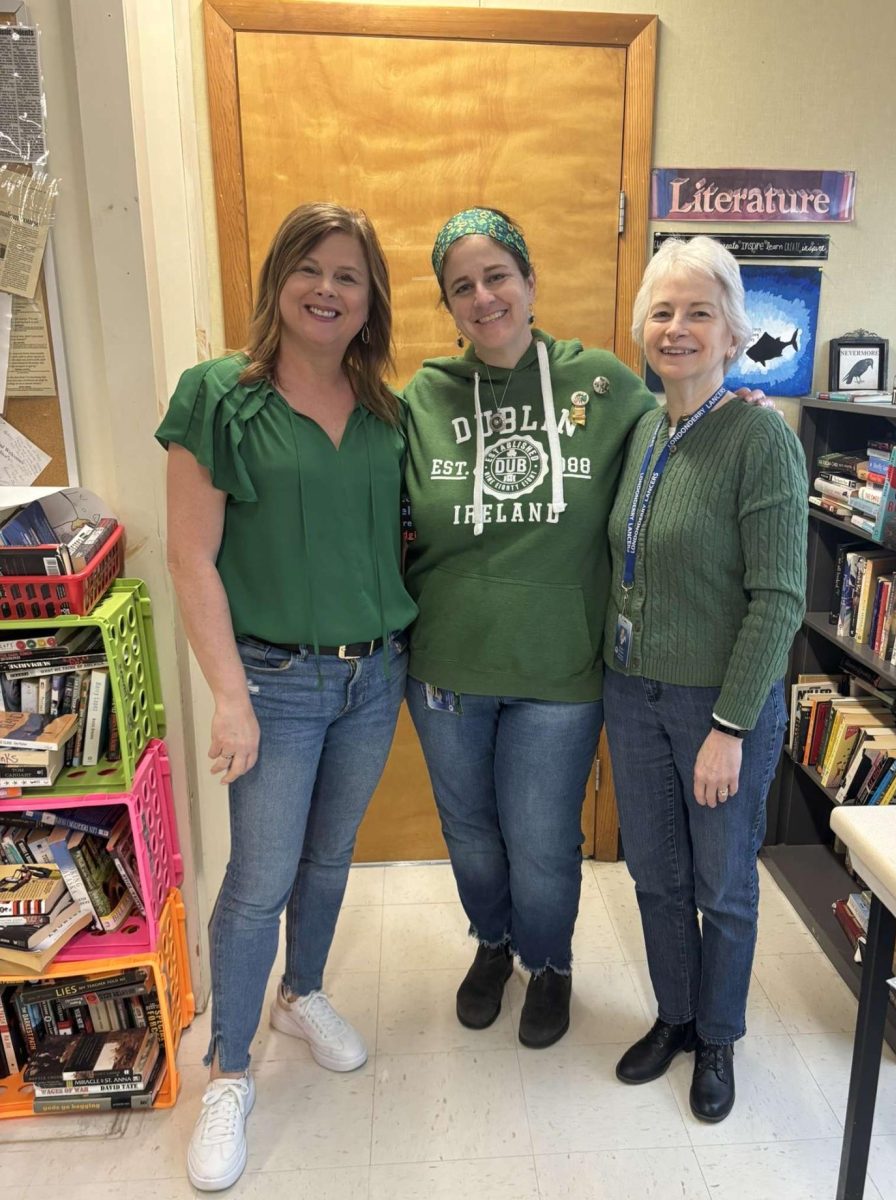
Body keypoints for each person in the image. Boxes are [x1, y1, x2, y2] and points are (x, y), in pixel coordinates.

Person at [158, 203, 416, 1191]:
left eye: (348, 275)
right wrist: (229, 694)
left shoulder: (386, 412)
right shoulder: (219, 397)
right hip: (273, 678)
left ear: (369, 300)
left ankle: (300, 992)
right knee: (257, 881)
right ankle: (228, 1072)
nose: (327, 289)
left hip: (373, 674)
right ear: (277, 281)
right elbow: (190, 557)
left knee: (329, 858)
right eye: (309, 269)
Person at [401, 207, 657, 1049]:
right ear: (449, 306)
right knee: (471, 835)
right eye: (462, 287)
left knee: (543, 842)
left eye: (497, 276)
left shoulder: (605, 386)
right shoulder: (422, 399)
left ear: (531, 284)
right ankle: (492, 942)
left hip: (559, 673)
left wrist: (737, 402)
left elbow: (679, 435)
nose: (484, 297)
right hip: (446, 670)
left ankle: (549, 962)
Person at [602, 235, 807, 1122]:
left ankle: (718, 1036)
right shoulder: (646, 428)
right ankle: (675, 1016)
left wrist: (729, 726)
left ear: (733, 334)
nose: (676, 328)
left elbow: (780, 600)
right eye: (662, 310)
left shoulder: (760, 438)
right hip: (631, 694)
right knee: (655, 874)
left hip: (719, 706)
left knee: (722, 884)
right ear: (641, 326)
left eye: (698, 312)